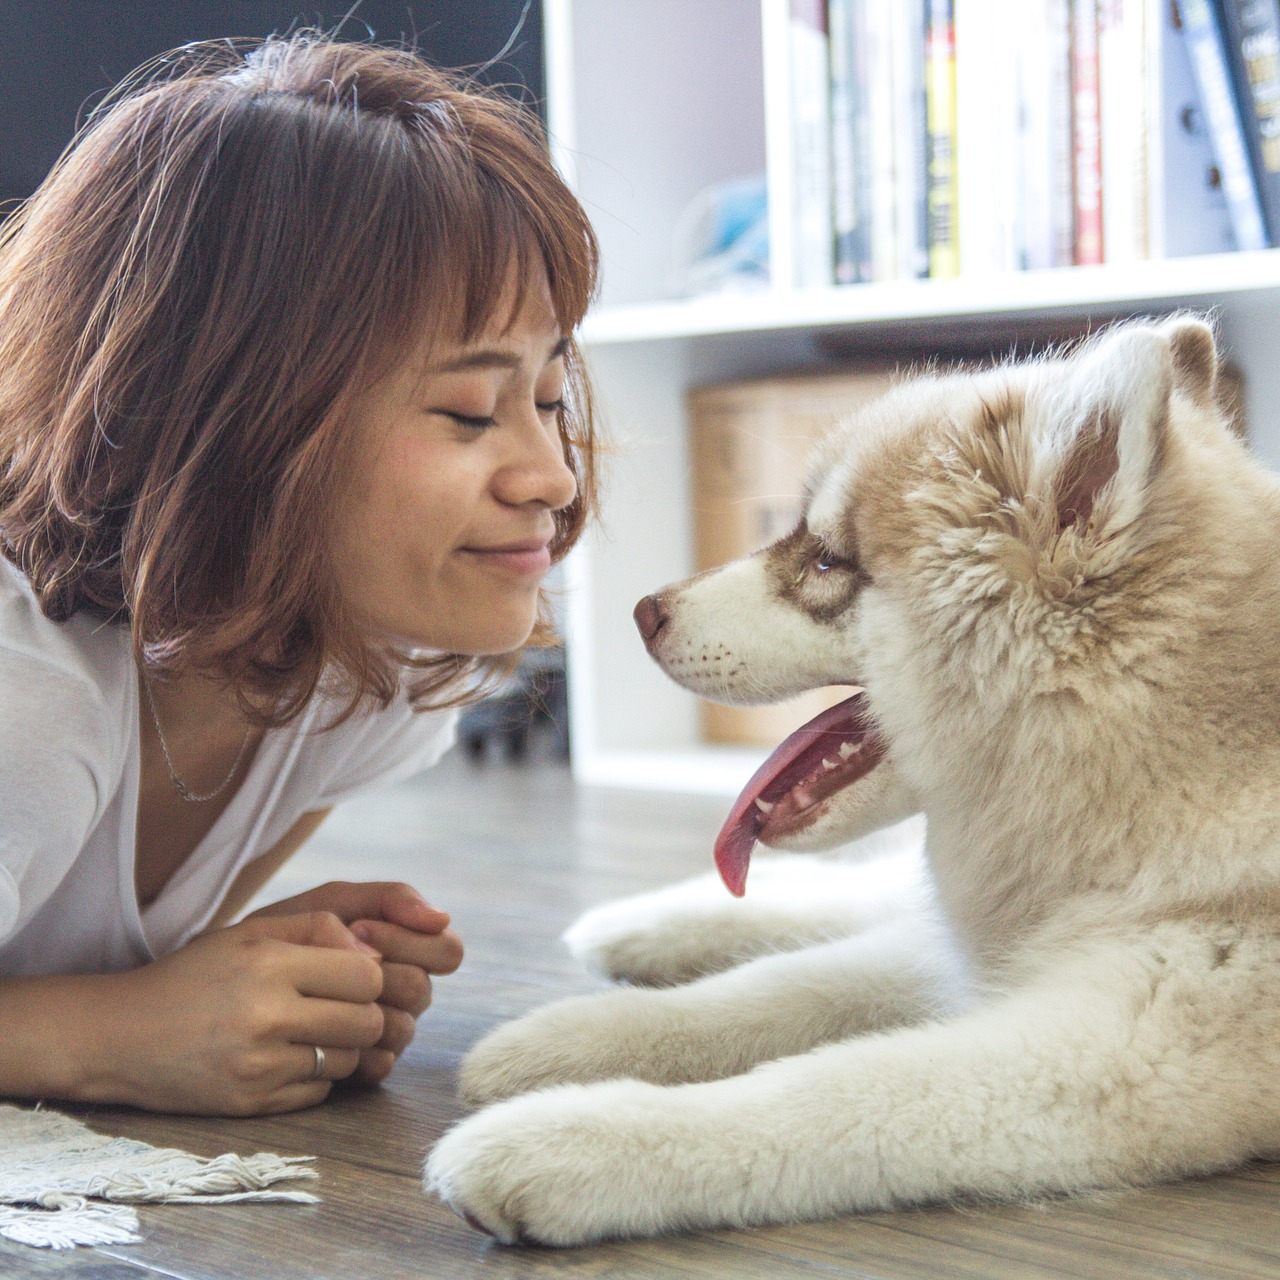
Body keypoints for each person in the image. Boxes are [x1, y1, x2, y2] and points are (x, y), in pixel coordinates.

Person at [0, 31, 599, 1116]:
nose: (552, 475)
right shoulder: (27, 699)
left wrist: (253, 978)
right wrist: (106, 1036)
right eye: (469, 411)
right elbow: (99, 1014)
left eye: (549, 398)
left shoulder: (367, 671)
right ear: (235, 425)